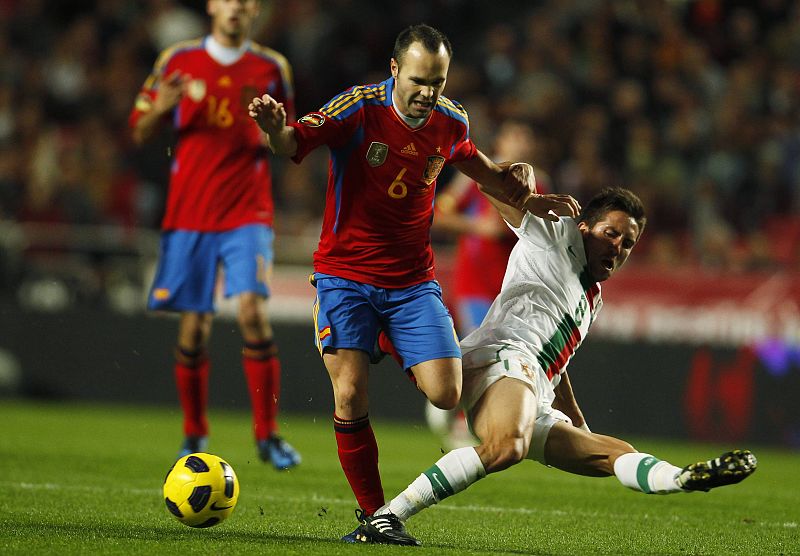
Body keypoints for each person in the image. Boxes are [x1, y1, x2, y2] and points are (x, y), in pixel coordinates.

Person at [248, 23, 581, 538]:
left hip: (410, 283)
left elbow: (479, 167)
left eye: (438, 82)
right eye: (419, 80)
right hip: (345, 276)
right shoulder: (358, 108)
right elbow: (292, 142)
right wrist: (275, 130)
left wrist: (528, 197)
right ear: (395, 70)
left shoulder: (450, 121)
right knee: (349, 394)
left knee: (446, 394)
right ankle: (375, 515)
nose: (428, 93)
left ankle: (381, 338)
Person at [352, 187, 757, 546]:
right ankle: (387, 518)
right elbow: (494, 189)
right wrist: (522, 191)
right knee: (508, 446)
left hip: (531, 385)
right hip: (504, 357)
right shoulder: (556, 235)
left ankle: (683, 478)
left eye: (628, 243)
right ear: (584, 228)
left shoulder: (592, 299)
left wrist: (576, 419)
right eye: (610, 233)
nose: (617, 247)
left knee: (614, 454)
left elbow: (556, 365)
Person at [128, 0, 300, 470]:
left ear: (255, 9)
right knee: (194, 326)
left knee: (252, 313)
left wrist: (274, 130)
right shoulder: (177, 61)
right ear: (212, 5)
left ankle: (267, 435)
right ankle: (194, 432)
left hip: (248, 212)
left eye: (245, 1)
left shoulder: (271, 68)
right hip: (191, 214)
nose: (235, 7)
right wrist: (160, 109)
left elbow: (287, 142)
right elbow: (139, 131)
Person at [427, 121, 543, 450]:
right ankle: (462, 422)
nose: (521, 142)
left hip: (514, 286)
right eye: (515, 135)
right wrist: (477, 226)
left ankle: (452, 399)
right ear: (500, 142)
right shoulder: (473, 177)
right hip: (475, 282)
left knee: (502, 354)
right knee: (484, 348)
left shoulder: (539, 182)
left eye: (526, 136)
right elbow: (439, 213)